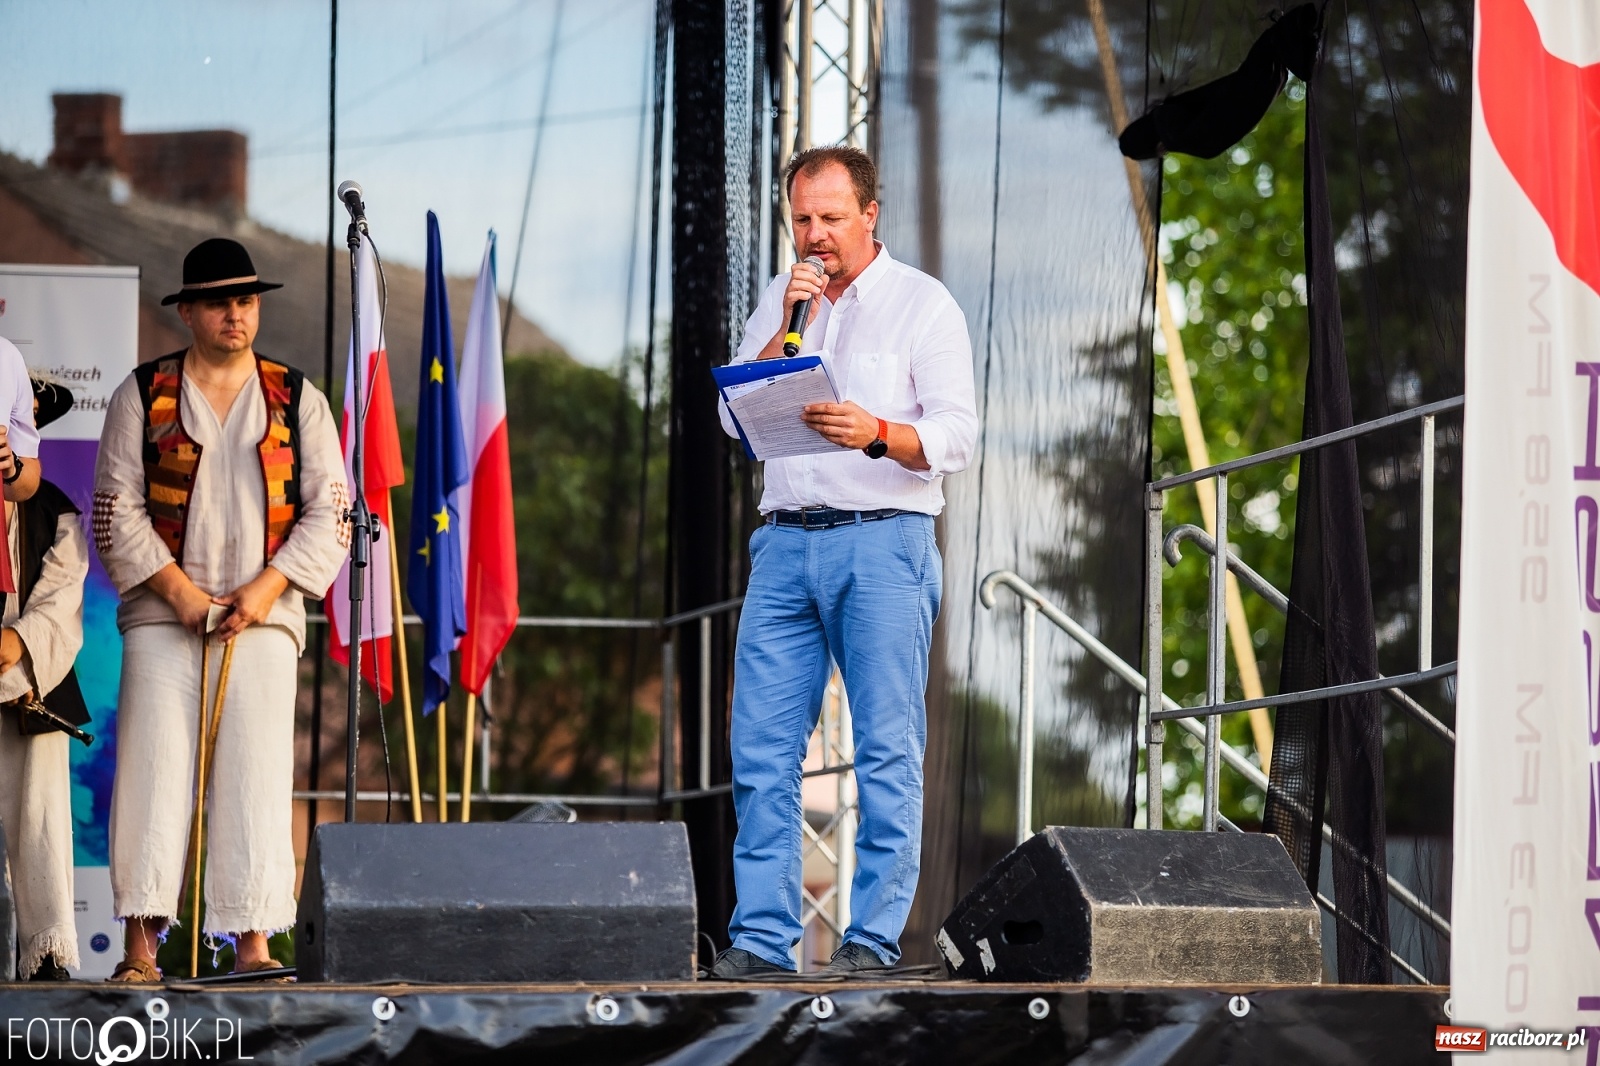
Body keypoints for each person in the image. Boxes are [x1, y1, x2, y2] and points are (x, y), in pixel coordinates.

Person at [710, 146, 978, 978]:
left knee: (887, 750)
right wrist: (784, 331)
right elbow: (732, 419)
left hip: (883, 539)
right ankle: (761, 940)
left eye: (830, 217)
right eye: (801, 219)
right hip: (785, 542)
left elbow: (956, 436)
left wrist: (875, 431)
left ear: (870, 214)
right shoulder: (785, 299)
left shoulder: (922, 304)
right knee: (760, 750)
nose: (814, 235)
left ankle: (869, 940)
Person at [94, 238, 347, 981]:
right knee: (151, 770)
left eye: (245, 301)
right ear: (190, 312)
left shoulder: (299, 397)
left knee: (258, 775)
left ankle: (253, 945)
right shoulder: (141, 394)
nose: (235, 314)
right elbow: (115, 507)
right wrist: (180, 595)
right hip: (163, 617)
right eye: (219, 302)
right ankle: (140, 951)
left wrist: (263, 592)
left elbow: (331, 510)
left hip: (262, 620)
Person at [0, 376, 88, 980]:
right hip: (11, 677)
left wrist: (13, 651)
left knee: (38, 819)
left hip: (31, 686)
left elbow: (59, 611)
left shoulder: (54, 509)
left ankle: (45, 956)